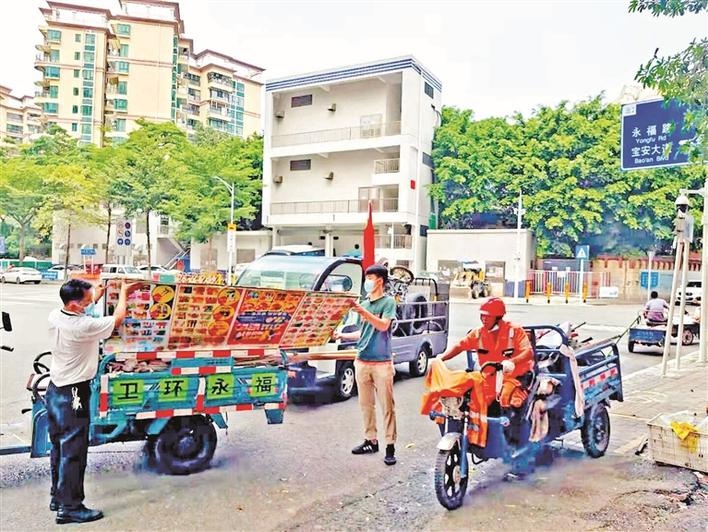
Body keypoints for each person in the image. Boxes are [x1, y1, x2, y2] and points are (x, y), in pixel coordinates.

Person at [47, 279, 139, 524]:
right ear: (76, 305)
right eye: (87, 301)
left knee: (59, 446)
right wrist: (123, 293)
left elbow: (86, 304)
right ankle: (70, 508)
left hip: (56, 389)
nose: (91, 304)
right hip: (74, 393)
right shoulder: (83, 326)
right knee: (74, 450)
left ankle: (59, 496)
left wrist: (99, 291)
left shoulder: (57, 314)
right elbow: (118, 318)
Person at [334, 264, 398, 465]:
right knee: (366, 405)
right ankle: (371, 440)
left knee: (387, 406)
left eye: (370, 278)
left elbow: (382, 325)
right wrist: (343, 335)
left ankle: (390, 445)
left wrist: (362, 311)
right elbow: (363, 333)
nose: (367, 282)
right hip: (362, 361)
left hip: (382, 363)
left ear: (380, 280)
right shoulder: (365, 303)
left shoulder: (388, 303)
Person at [437, 297, 534, 408]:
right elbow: (459, 346)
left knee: (507, 399)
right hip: (488, 378)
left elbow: (528, 352)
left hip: (514, 377)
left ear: (498, 317)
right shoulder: (478, 333)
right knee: (468, 400)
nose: (484, 319)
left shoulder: (515, 331)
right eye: (482, 315)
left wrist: (511, 362)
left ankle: (508, 424)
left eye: (488, 316)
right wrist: (441, 359)